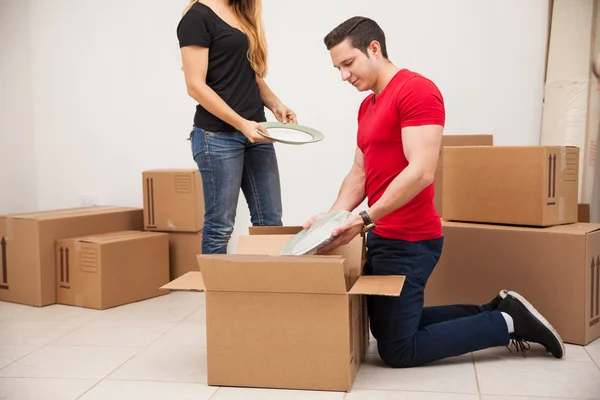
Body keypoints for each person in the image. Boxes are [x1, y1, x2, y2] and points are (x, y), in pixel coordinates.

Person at [303, 16, 565, 368]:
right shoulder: (368, 106)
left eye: (348, 63)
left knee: (398, 350)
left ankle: (507, 323)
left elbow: (422, 171)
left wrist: (362, 218)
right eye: (338, 68)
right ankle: (497, 309)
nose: (344, 76)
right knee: (386, 331)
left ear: (374, 49)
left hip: (411, 240)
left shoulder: (416, 90)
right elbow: (359, 172)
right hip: (382, 233)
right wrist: (333, 220)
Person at [177, 0, 296, 254]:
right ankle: (219, 294)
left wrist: (275, 104)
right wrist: (241, 124)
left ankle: (264, 292)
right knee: (220, 227)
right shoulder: (197, 18)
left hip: (256, 132)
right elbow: (195, 86)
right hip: (217, 137)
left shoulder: (240, 11)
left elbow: (249, 71)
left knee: (270, 224)